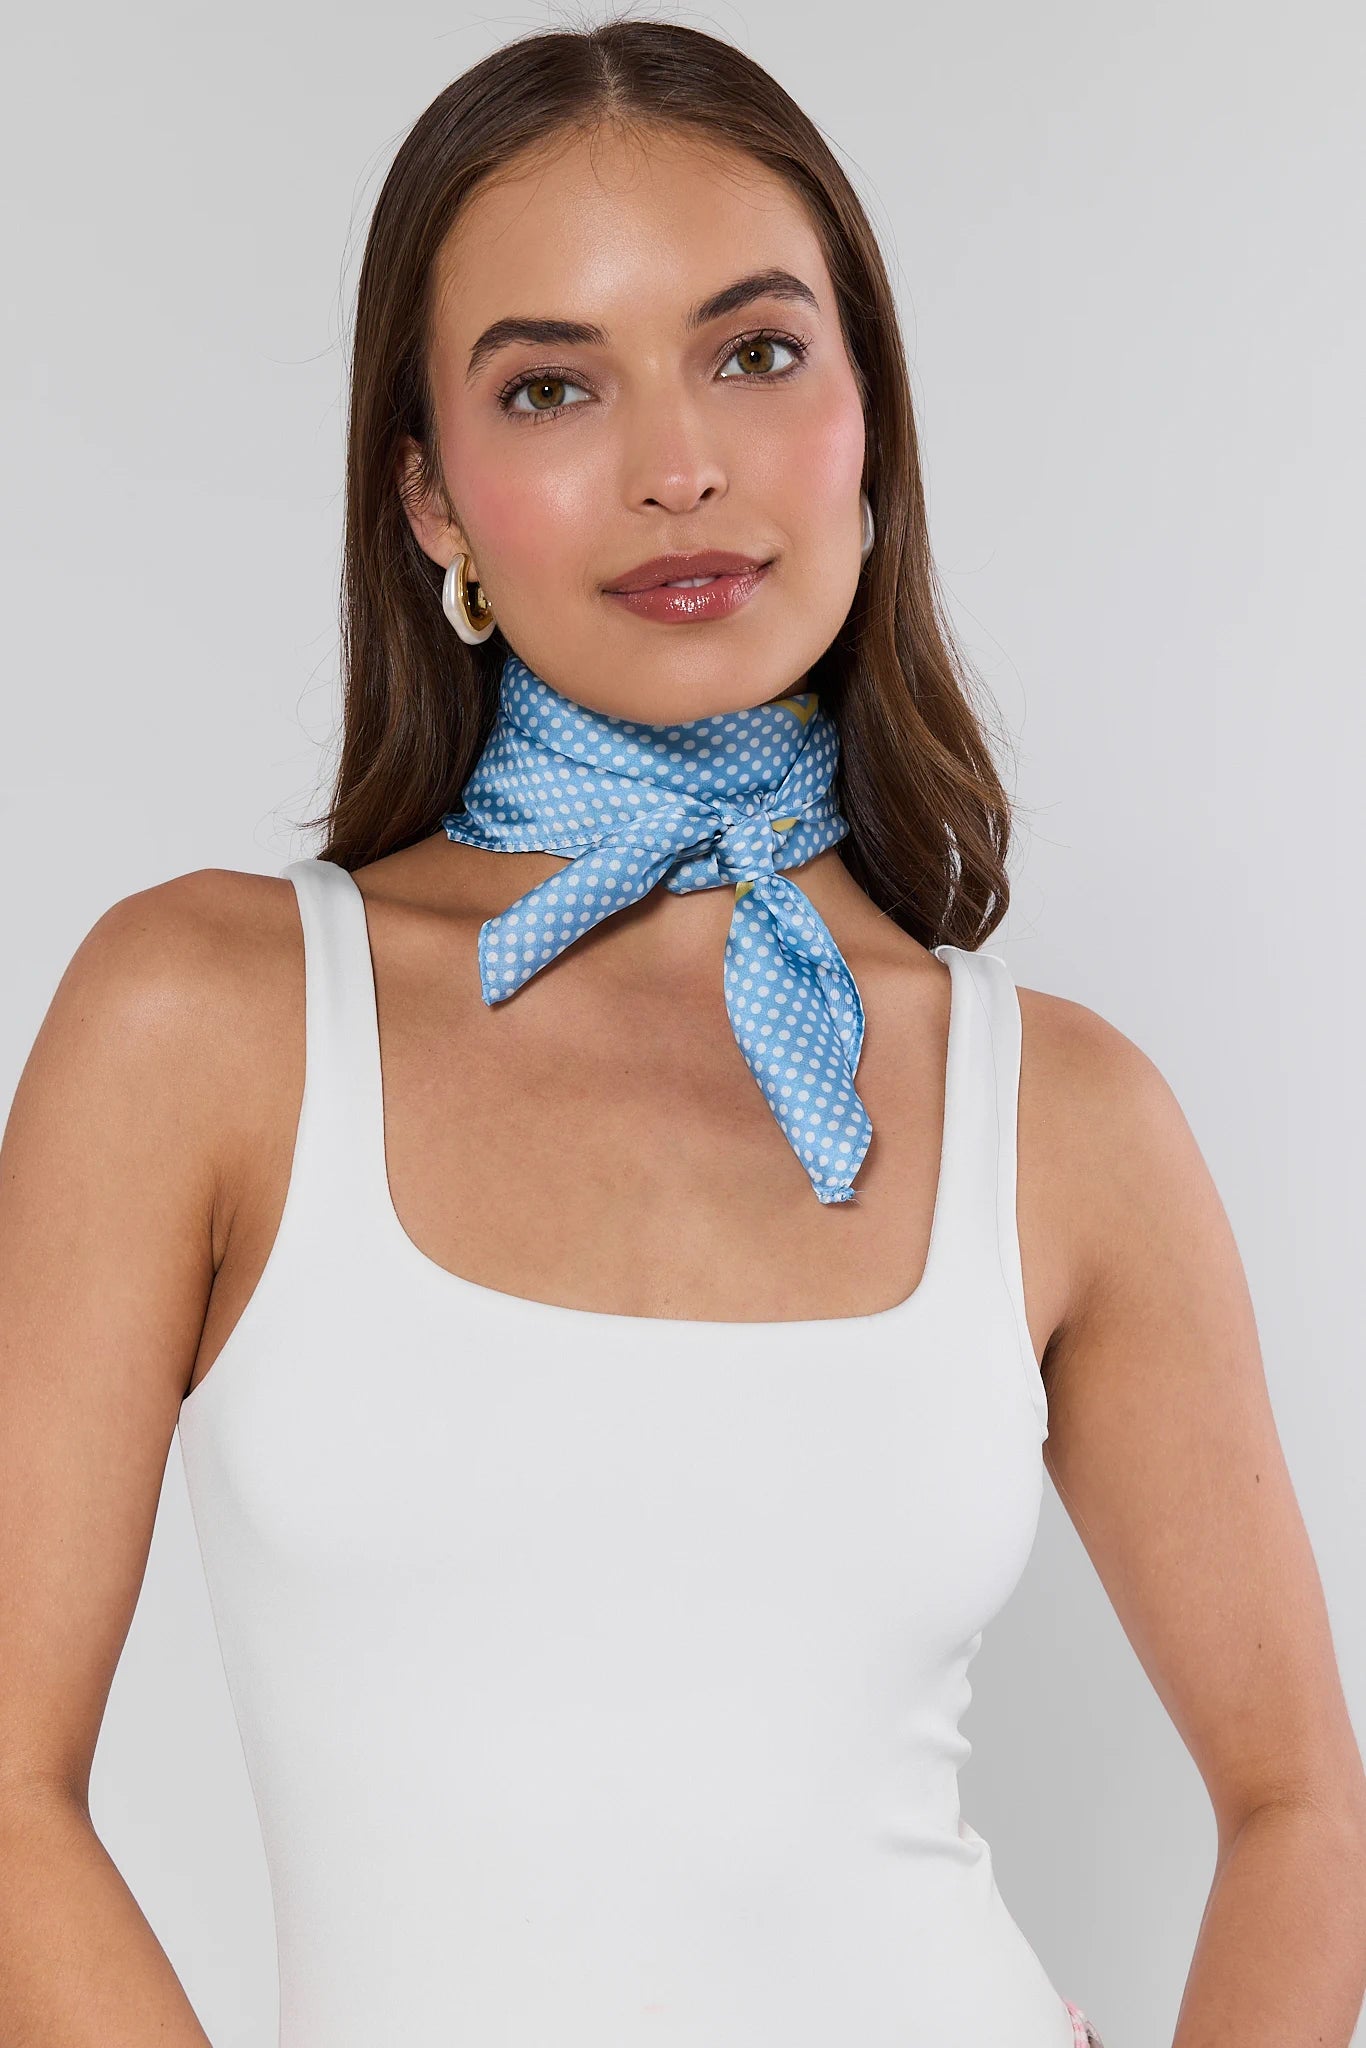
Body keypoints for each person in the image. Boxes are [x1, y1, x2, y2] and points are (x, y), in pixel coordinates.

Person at [2, 17, 1364, 2047]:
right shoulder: (203, 1018)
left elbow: (1297, 1804)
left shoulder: (1060, 1111)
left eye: (754, 351)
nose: (678, 466)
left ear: (867, 419)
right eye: (550, 386)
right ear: (430, 495)